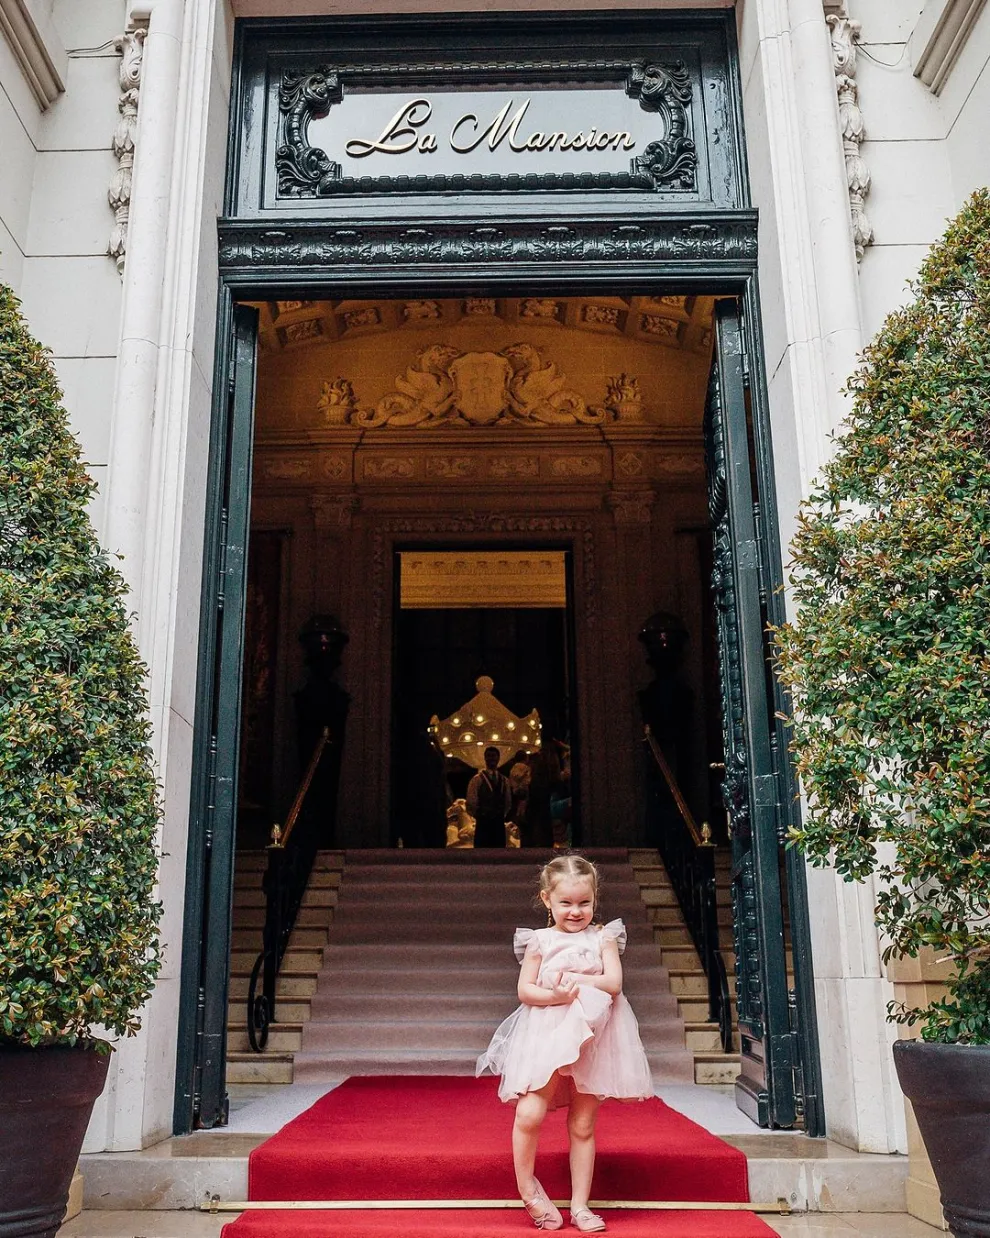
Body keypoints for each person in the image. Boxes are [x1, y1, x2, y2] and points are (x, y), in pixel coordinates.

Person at [476, 854, 652, 1232]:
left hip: (595, 1035)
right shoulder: (539, 941)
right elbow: (525, 990)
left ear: (595, 899)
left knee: (583, 1123)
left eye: (584, 903)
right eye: (566, 903)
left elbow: (614, 983)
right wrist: (556, 995)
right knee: (529, 1112)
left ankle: (580, 1206)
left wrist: (574, 979)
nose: (576, 911)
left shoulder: (603, 936)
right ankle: (528, 1189)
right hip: (548, 1031)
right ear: (547, 901)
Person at [466, 746, 512, 848]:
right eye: (489, 756)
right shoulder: (477, 780)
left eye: (494, 756)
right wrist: (480, 815)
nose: (491, 758)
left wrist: (500, 815)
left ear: (498, 758)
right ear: (485, 758)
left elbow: (508, 802)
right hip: (483, 824)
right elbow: (470, 802)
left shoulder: (505, 781)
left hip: (499, 824)